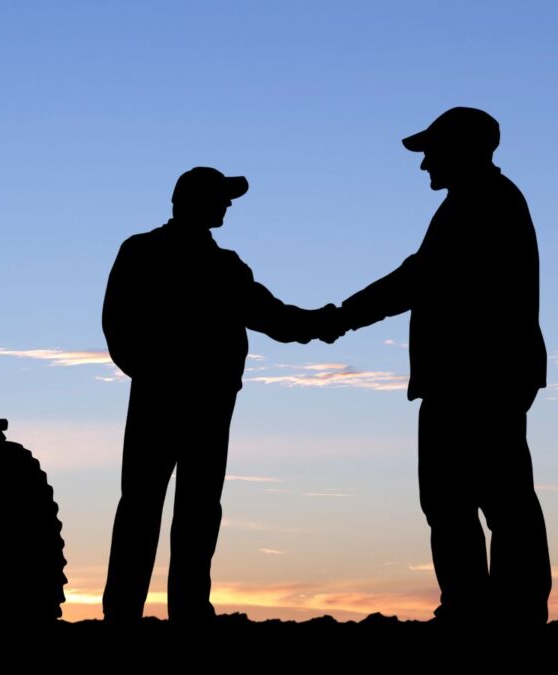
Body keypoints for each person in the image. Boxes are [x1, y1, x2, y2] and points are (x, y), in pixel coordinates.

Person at [334, 107, 551, 624]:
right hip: (478, 374)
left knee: (483, 498)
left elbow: (419, 277)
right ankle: (481, 606)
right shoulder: (477, 201)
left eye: (432, 151)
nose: (424, 163)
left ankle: (495, 610)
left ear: (462, 150)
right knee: (468, 497)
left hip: (474, 377)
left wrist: (342, 316)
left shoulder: (482, 203)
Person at [101, 167, 340, 623]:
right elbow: (119, 325)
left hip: (197, 401)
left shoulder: (216, 263)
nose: (228, 206)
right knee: (154, 505)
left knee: (184, 507)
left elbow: (275, 317)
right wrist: (326, 322)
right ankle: (140, 615)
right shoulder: (154, 253)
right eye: (221, 198)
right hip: (181, 399)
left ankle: (172, 612)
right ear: (192, 201)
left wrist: (323, 322)